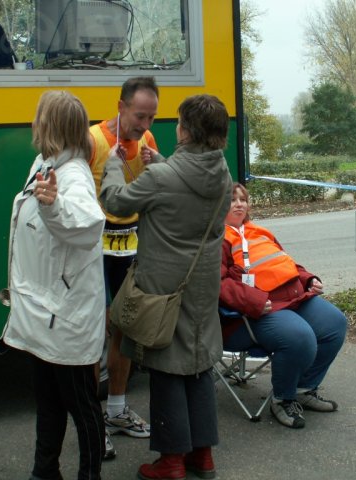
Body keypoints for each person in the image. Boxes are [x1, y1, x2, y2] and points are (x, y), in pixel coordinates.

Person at [100, 94, 232, 480]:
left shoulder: (161, 179)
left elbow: (116, 202)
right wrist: (160, 164)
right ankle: (202, 455)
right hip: (203, 283)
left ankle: (172, 460)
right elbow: (187, 182)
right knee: (199, 360)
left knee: (167, 366)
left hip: (163, 286)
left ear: (186, 131)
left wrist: (112, 166)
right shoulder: (221, 172)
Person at [1, 90, 106, 480]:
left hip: (65, 321)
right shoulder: (44, 163)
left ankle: (89, 476)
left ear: (50, 126)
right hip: (46, 316)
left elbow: (86, 225)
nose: (33, 121)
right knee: (48, 402)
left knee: (83, 407)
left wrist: (53, 207)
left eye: (38, 116)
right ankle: (44, 472)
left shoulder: (73, 177)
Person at [219, 182, 347, 430]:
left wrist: (307, 278)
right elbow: (218, 283)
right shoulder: (217, 238)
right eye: (231, 200)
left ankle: (304, 388)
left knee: (335, 324)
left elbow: (284, 263)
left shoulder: (259, 232)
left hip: (291, 298)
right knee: (300, 337)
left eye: (243, 199)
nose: (239, 204)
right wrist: (254, 301)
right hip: (251, 313)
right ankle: (283, 398)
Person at [89, 76, 158, 459]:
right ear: (120, 106)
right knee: (93, 335)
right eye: (139, 116)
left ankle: (116, 410)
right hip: (95, 248)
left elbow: (152, 192)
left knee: (125, 329)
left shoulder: (148, 142)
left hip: (130, 245)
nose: (145, 125)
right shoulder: (93, 139)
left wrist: (155, 166)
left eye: (151, 117)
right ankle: (91, 422)